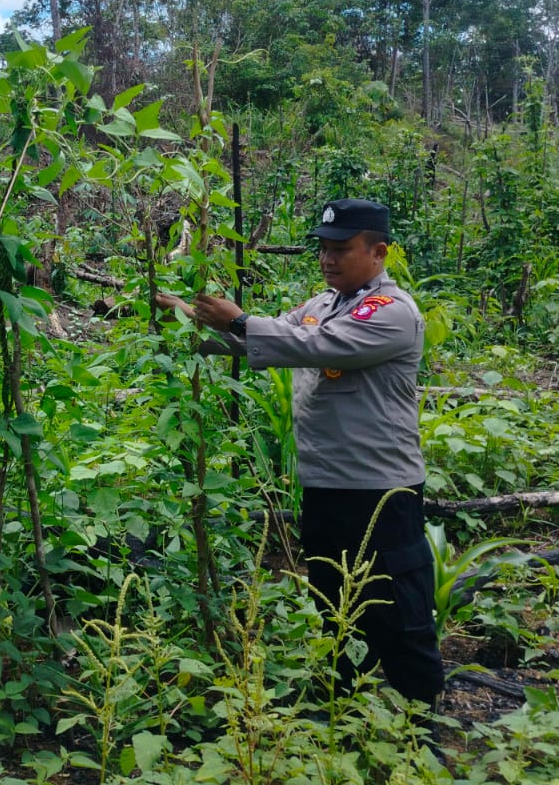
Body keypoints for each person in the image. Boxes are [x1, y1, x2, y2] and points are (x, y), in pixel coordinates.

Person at [155, 197, 444, 708]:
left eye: (341, 249)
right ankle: (346, 705)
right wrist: (182, 318)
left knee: (397, 608)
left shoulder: (391, 312)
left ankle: (421, 719)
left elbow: (312, 347)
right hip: (325, 486)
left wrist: (240, 320)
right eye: (323, 250)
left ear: (379, 252)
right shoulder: (322, 305)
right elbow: (271, 341)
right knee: (334, 600)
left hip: (380, 492)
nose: (328, 260)